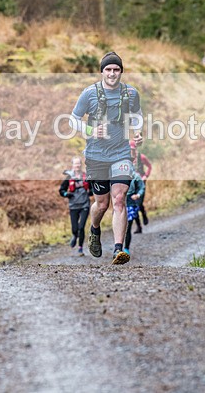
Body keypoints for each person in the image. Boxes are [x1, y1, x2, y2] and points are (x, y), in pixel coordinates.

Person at [70, 52, 144, 265]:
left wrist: (137, 132)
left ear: (121, 71)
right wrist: (92, 130)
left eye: (116, 69)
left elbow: (137, 115)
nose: (112, 73)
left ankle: (118, 250)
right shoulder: (89, 94)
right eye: (108, 69)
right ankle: (94, 230)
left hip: (121, 153)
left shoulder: (130, 93)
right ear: (102, 71)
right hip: (96, 156)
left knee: (119, 199)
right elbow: (73, 120)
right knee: (101, 205)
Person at [58, 156, 92, 256]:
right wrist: (66, 194)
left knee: (81, 227)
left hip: (84, 205)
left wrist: (91, 193)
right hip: (73, 206)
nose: (77, 165)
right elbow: (61, 190)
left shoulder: (86, 176)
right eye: (75, 164)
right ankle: (74, 235)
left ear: (81, 165)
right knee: (75, 228)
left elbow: (92, 189)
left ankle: (80, 248)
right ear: (72, 165)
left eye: (79, 164)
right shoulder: (69, 178)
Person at [129, 139, 152, 231]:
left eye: (133, 149)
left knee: (138, 203)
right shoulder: (126, 159)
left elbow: (149, 166)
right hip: (131, 185)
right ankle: (139, 226)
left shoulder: (141, 157)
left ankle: (143, 213)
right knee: (133, 205)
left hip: (140, 184)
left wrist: (145, 176)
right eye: (130, 149)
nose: (131, 151)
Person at [123, 170, 146, 255]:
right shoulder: (117, 173)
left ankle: (126, 248)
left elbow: (141, 187)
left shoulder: (135, 176)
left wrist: (138, 195)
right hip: (120, 203)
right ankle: (118, 247)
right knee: (120, 225)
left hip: (131, 202)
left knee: (128, 227)